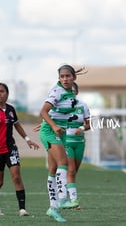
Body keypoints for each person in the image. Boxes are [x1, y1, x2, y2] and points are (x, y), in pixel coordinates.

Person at [0, 82, 40, 216]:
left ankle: (22, 209)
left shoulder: (11, 109)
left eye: (2, 91)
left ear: (7, 94)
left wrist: (28, 140)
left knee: (16, 177)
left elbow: (17, 125)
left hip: (10, 148)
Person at [39, 64, 86, 223]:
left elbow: (58, 112)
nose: (65, 79)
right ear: (59, 78)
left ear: (74, 78)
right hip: (51, 132)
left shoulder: (71, 92)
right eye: (62, 76)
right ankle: (63, 198)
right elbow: (43, 111)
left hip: (61, 131)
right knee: (63, 162)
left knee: (53, 170)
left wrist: (54, 122)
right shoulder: (57, 91)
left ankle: (53, 208)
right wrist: (51, 125)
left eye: (68, 76)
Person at [63, 82, 90, 209]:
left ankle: (65, 194)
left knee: (74, 172)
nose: (71, 92)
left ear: (76, 92)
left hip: (80, 143)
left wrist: (82, 128)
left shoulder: (83, 106)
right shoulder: (60, 106)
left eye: (73, 90)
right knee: (71, 170)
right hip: (66, 142)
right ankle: (74, 201)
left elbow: (89, 124)